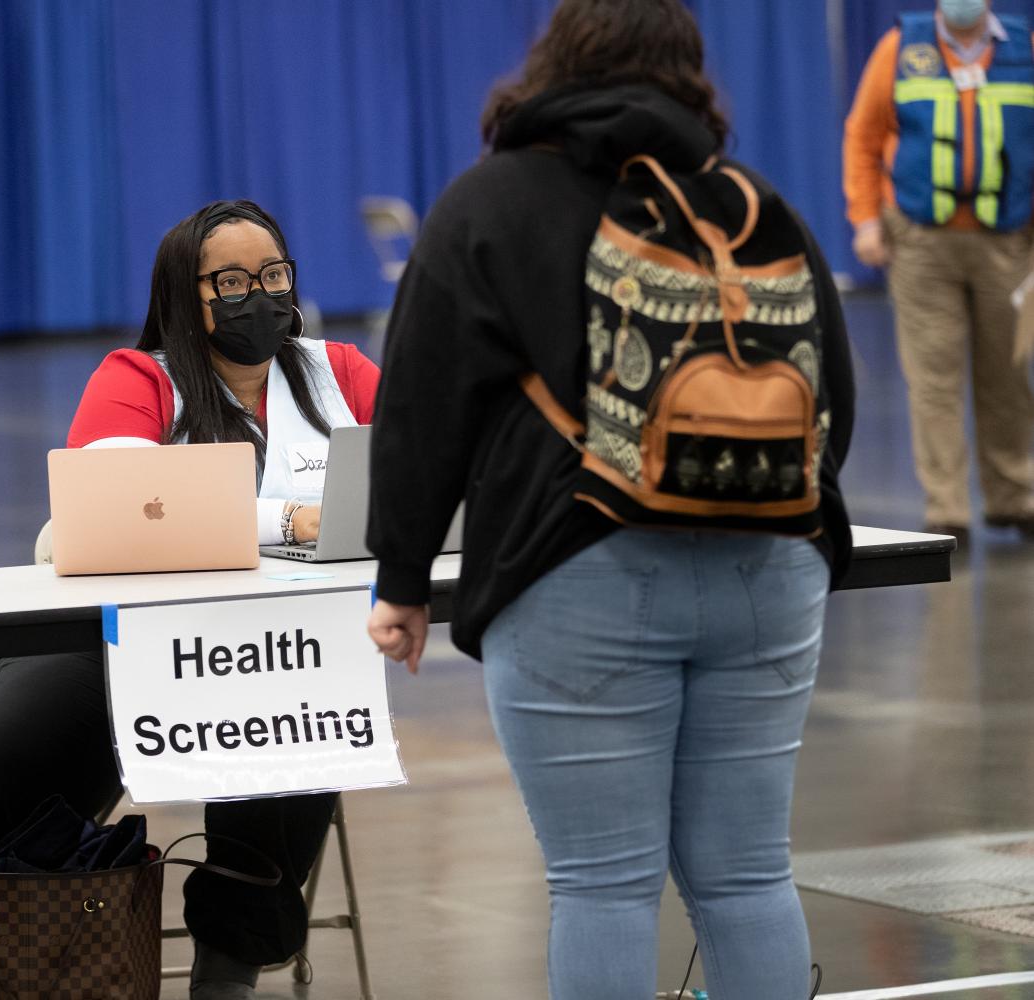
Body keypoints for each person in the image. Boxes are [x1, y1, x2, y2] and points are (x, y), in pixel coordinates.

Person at [364, 1, 855, 998]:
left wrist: (403, 580)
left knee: (601, 884)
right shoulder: (750, 202)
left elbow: (419, 405)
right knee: (747, 870)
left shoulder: (489, 204)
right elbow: (829, 399)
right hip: (771, 565)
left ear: (555, 61)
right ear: (690, 71)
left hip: (577, 567)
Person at [0, 200, 380, 1000]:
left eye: (274, 274)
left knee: (293, 722)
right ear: (188, 295)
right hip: (117, 639)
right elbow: (122, 497)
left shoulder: (340, 374)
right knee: (12, 751)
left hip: (280, 646)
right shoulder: (138, 377)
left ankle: (228, 971)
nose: (261, 294)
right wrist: (292, 519)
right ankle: (50, 954)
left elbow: (422, 470)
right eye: (232, 280)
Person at [845, 0, 1034, 546]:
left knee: (1011, 375)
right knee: (933, 380)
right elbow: (862, 135)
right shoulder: (900, 49)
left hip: (1008, 243)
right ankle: (947, 509)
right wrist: (865, 221)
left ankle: (1012, 497)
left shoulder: (1023, 51)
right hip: (921, 242)